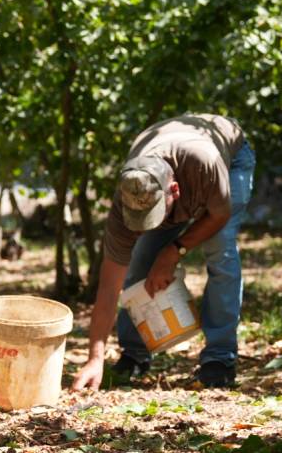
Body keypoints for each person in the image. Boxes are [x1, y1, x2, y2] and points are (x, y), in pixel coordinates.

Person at [72, 114, 256, 390]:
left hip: (229, 156)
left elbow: (218, 216)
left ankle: (219, 359)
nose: (152, 224)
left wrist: (173, 251)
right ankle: (135, 354)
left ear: (175, 191)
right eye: (142, 218)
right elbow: (109, 288)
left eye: (156, 215)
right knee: (141, 260)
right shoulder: (129, 198)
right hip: (172, 155)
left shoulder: (204, 164)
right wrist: (94, 358)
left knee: (221, 251)